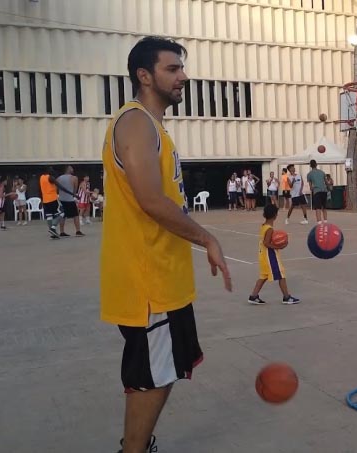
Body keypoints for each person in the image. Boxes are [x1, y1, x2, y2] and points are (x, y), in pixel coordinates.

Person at [101, 36, 232, 453]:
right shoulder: (135, 122)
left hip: (164, 278)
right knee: (149, 377)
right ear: (144, 76)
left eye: (182, 68)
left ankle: (139, 445)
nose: (183, 77)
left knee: (164, 370)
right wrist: (207, 237)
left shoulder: (154, 127)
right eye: (172, 69)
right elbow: (151, 200)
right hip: (147, 282)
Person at [247, 204, 300, 305]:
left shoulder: (264, 226)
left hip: (263, 255)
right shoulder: (269, 229)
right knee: (281, 274)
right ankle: (286, 297)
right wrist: (279, 246)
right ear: (275, 215)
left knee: (263, 276)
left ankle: (253, 296)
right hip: (269, 256)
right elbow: (266, 243)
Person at [57, 166, 84, 237]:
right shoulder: (74, 178)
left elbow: (57, 188)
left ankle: (62, 231)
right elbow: (74, 190)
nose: (73, 169)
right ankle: (78, 231)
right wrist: (74, 195)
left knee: (62, 215)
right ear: (68, 169)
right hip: (69, 199)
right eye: (71, 168)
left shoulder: (59, 178)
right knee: (76, 215)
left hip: (61, 199)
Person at [40, 168, 65, 239]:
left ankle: (53, 233)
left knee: (49, 216)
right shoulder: (50, 178)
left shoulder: (41, 177)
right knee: (62, 213)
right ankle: (53, 228)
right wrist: (72, 194)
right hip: (52, 199)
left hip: (45, 200)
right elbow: (61, 187)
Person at [306, 159, 329, 224]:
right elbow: (326, 182)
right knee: (324, 206)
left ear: (310, 166)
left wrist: (312, 189)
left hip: (317, 191)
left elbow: (310, 186)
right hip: (324, 190)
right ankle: (325, 220)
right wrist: (329, 187)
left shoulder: (309, 174)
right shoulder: (322, 172)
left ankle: (319, 221)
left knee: (318, 207)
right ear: (316, 164)